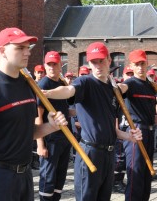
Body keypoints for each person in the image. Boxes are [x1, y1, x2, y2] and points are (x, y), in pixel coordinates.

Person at [0, 27, 68, 201]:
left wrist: (50, 127)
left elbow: (28, 132)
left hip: (26, 176)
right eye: (20, 48)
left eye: (27, 47)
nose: (27, 52)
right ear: (2, 50)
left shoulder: (27, 86)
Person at [43, 42, 142, 201]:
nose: (97, 65)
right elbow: (68, 90)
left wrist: (129, 136)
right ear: (88, 63)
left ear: (109, 60)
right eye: (93, 62)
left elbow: (114, 130)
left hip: (109, 154)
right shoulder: (85, 83)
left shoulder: (112, 89)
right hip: (89, 152)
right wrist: (46, 93)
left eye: (101, 60)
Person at [118, 50, 157, 201]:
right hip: (136, 132)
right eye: (137, 64)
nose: (140, 67)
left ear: (147, 64)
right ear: (131, 66)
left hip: (150, 132)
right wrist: (115, 87)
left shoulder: (151, 86)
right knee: (136, 176)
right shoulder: (130, 83)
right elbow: (120, 89)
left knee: (147, 177)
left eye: (142, 63)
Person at [36, 51, 72, 201]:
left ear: (60, 66)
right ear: (45, 66)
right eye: (49, 64)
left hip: (65, 136)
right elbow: (38, 115)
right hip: (51, 138)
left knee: (60, 176)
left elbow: (65, 109)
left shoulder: (62, 83)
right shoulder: (43, 84)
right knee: (48, 178)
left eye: (54, 64)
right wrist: (40, 145)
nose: (51, 67)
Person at [113, 65, 134, 193]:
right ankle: (116, 182)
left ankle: (120, 180)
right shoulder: (120, 91)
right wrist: (116, 129)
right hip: (120, 127)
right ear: (124, 76)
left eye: (132, 74)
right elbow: (114, 111)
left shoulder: (134, 90)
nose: (130, 77)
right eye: (128, 74)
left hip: (129, 129)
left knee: (125, 158)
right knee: (119, 158)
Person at [31, 64, 46, 170]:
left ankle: (36, 160)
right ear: (35, 73)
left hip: (41, 114)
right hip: (32, 114)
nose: (40, 74)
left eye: (42, 72)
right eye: (38, 72)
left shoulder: (44, 85)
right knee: (33, 140)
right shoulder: (32, 84)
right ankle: (33, 161)